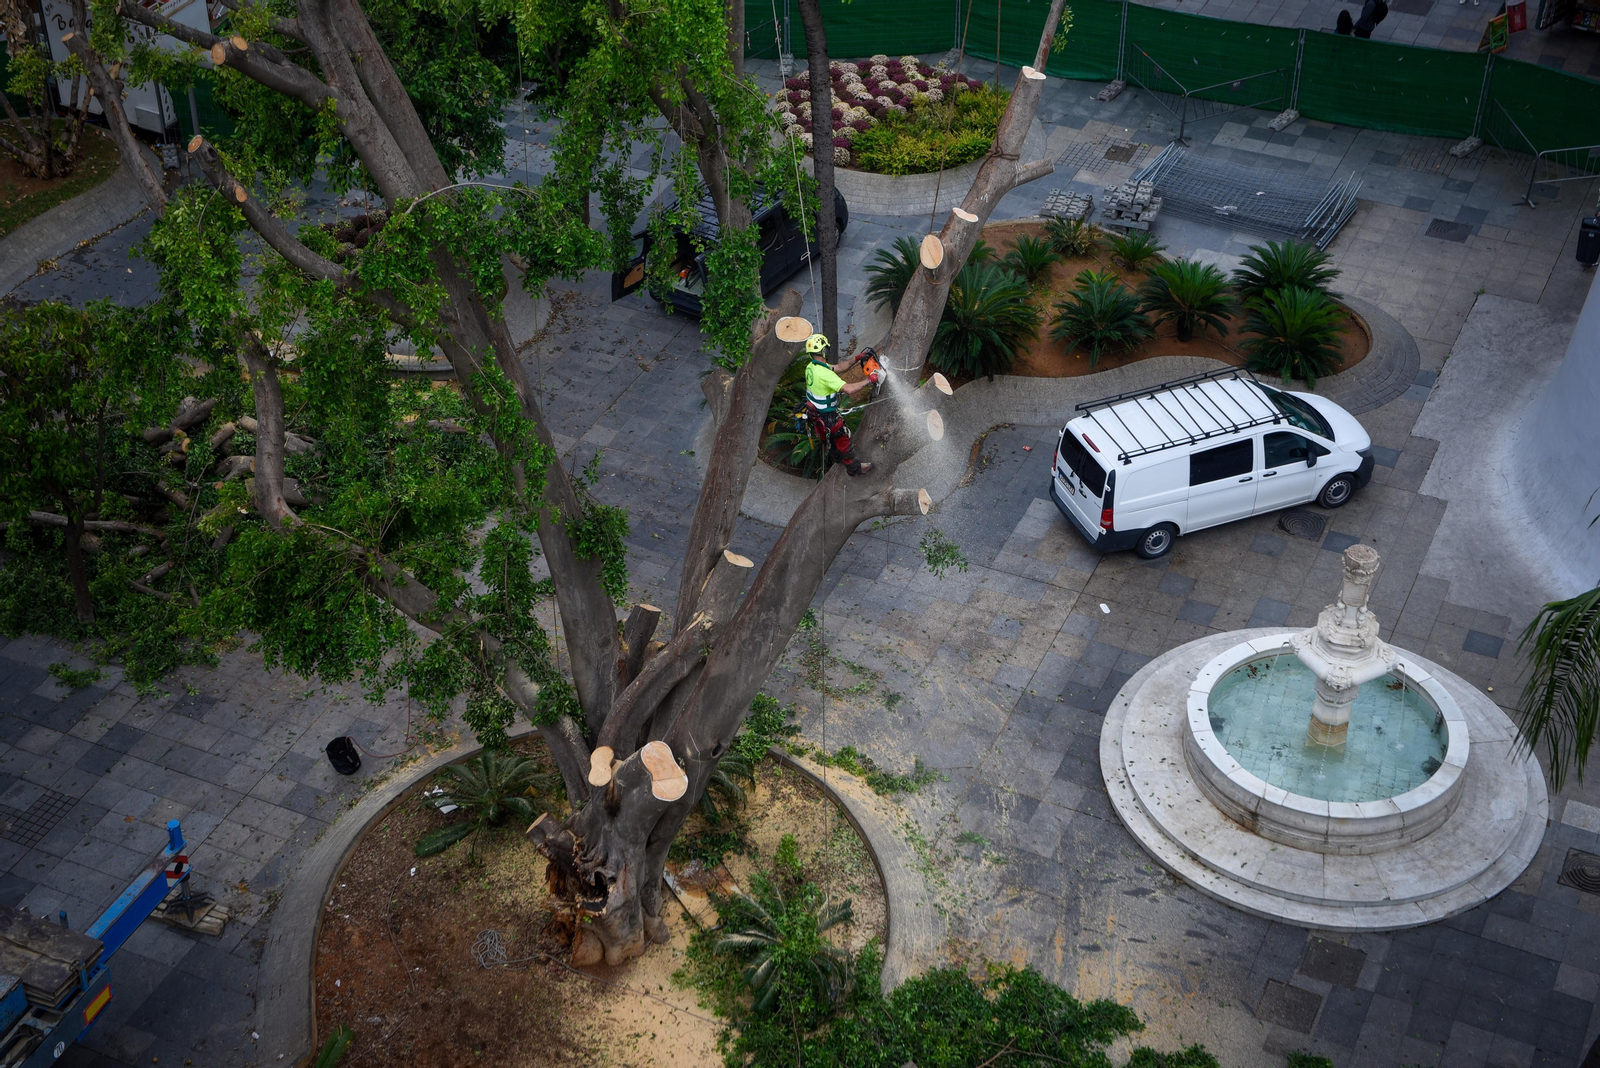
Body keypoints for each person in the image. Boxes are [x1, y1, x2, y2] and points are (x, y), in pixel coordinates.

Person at [803, 333, 877, 476]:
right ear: (824, 351)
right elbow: (849, 389)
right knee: (843, 440)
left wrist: (856, 359)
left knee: (828, 440)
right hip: (828, 417)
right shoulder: (825, 375)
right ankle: (854, 469)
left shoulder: (812, 367)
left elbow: (839, 367)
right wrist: (870, 380)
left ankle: (836, 458)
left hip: (816, 415)